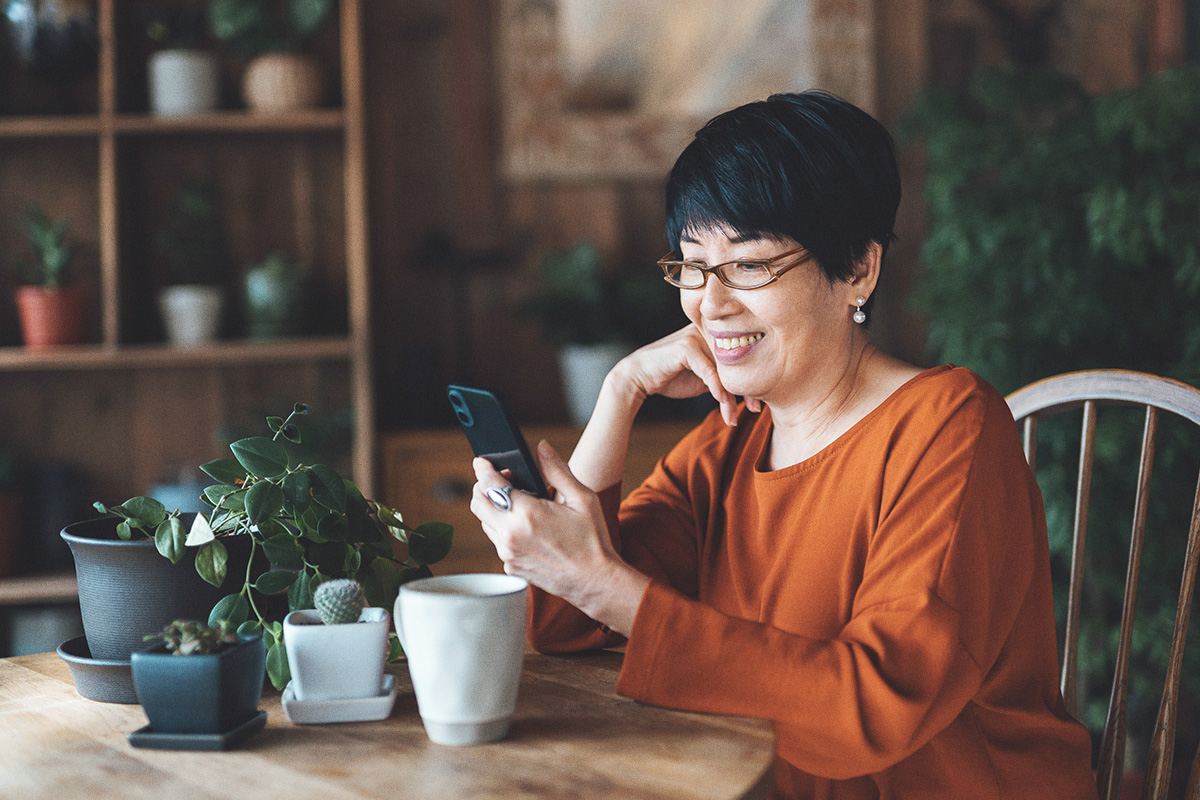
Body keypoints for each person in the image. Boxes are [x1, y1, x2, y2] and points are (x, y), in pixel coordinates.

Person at [469, 91, 1098, 799]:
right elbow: (561, 619)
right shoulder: (730, 441)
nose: (711, 301)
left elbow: (873, 705)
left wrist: (601, 583)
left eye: (749, 265)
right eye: (692, 265)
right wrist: (620, 393)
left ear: (858, 268)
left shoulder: (950, 428)